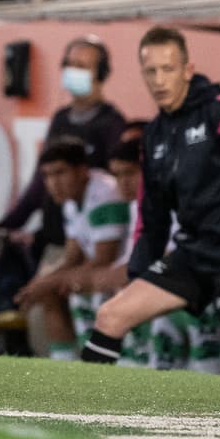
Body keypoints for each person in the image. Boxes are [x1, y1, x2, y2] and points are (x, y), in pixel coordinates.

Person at [82, 27, 220, 364]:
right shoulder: (153, 137)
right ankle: (80, 410)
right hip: (194, 253)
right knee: (110, 317)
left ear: (187, 70)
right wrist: (139, 276)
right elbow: (152, 218)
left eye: (168, 69)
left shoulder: (219, 113)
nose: (159, 79)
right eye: (151, 71)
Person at [0, 37, 126, 264]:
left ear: (101, 74)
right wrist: (7, 223)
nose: (74, 71)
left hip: (95, 244)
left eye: (82, 66)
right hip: (56, 238)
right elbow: (39, 183)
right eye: (70, 64)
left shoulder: (112, 124)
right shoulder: (60, 119)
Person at [13, 138, 128, 361]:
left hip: (119, 273)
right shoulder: (70, 203)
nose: (53, 183)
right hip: (102, 271)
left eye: (60, 173)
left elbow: (104, 259)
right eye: (47, 175)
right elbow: (73, 256)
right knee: (48, 291)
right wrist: (39, 283)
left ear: (82, 170)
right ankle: (65, 365)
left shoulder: (105, 194)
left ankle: (97, 362)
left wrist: (50, 282)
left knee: (69, 286)